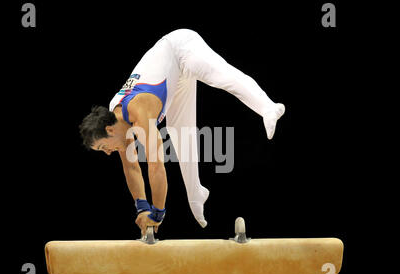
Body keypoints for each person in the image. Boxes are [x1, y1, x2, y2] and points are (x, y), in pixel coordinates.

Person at [79, 29, 285, 235]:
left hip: (181, 48)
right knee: (181, 137)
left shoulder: (139, 112)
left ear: (109, 129)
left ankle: (268, 108)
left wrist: (157, 214)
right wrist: (142, 207)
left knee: (222, 76)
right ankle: (196, 195)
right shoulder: (118, 121)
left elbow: (156, 167)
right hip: (174, 80)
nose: (108, 152)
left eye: (103, 147)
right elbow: (131, 168)